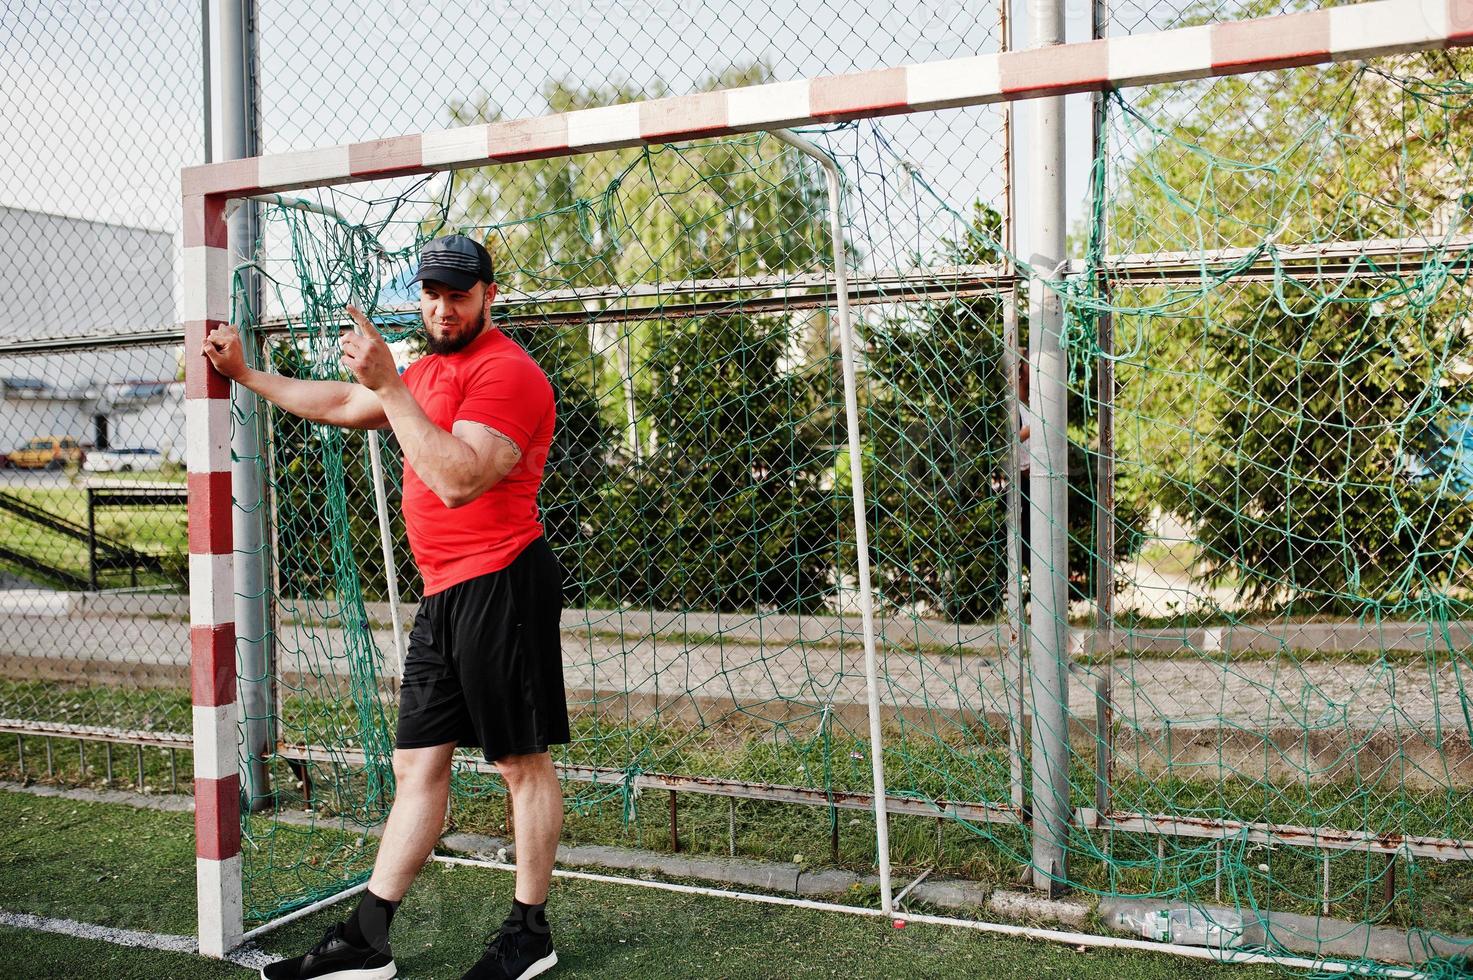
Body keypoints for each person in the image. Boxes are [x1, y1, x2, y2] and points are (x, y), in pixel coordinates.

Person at [203, 234, 568, 980]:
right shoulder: (428, 370)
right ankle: (367, 940)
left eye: (458, 294)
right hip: (445, 594)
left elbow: (460, 479)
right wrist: (245, 373)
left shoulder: (508, 374)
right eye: (431, 293)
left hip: (504, 584)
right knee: (416, 762)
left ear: (489, 296)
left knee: (517, 762)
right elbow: (341, 401)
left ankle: (530, 933)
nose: (441, 307)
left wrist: (392, 387)